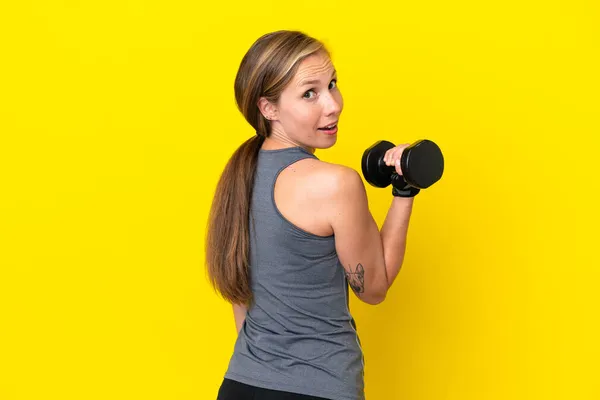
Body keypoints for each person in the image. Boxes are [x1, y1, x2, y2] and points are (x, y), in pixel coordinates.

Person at [206, 30, 415, 400]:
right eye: (309, 93)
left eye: (332, 84)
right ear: (267, 108)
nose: (332, 104)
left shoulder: (238, 177)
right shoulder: (335, 184)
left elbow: (239, 297)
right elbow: (374, 288)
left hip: (241, 384)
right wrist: (404, 191)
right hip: (318, 388)